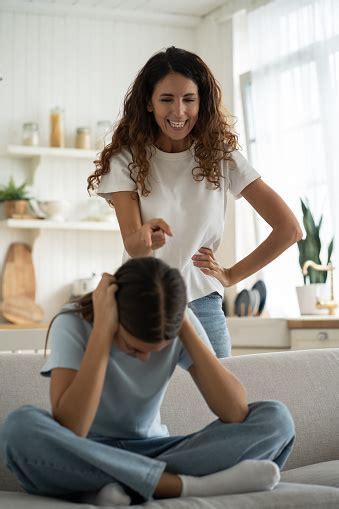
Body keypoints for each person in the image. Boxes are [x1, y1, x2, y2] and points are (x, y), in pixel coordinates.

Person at [0, 257, 295, 505]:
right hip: (83, 451)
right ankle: (186, 488)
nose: (143, 359)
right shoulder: (73, 322)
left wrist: (185, 326)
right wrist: (103, 331)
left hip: (156, 450)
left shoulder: (176, 323)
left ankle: (104, 488)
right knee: (19, 430)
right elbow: (73, 428)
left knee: (276, 419)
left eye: (155, 350)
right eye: (133, 348)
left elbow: (235, 411)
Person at [87, 46, 302, 359]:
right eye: (166, 99)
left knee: (225, 405)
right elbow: (134, 246)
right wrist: (147, 235)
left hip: (203, 304)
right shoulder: (126, 159)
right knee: (143, 406)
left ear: (202, 102)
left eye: (189, 99)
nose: (178, 112)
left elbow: (290, 229)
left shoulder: (222, 157)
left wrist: (230, 276)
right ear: (148, 102)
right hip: (141, 303)